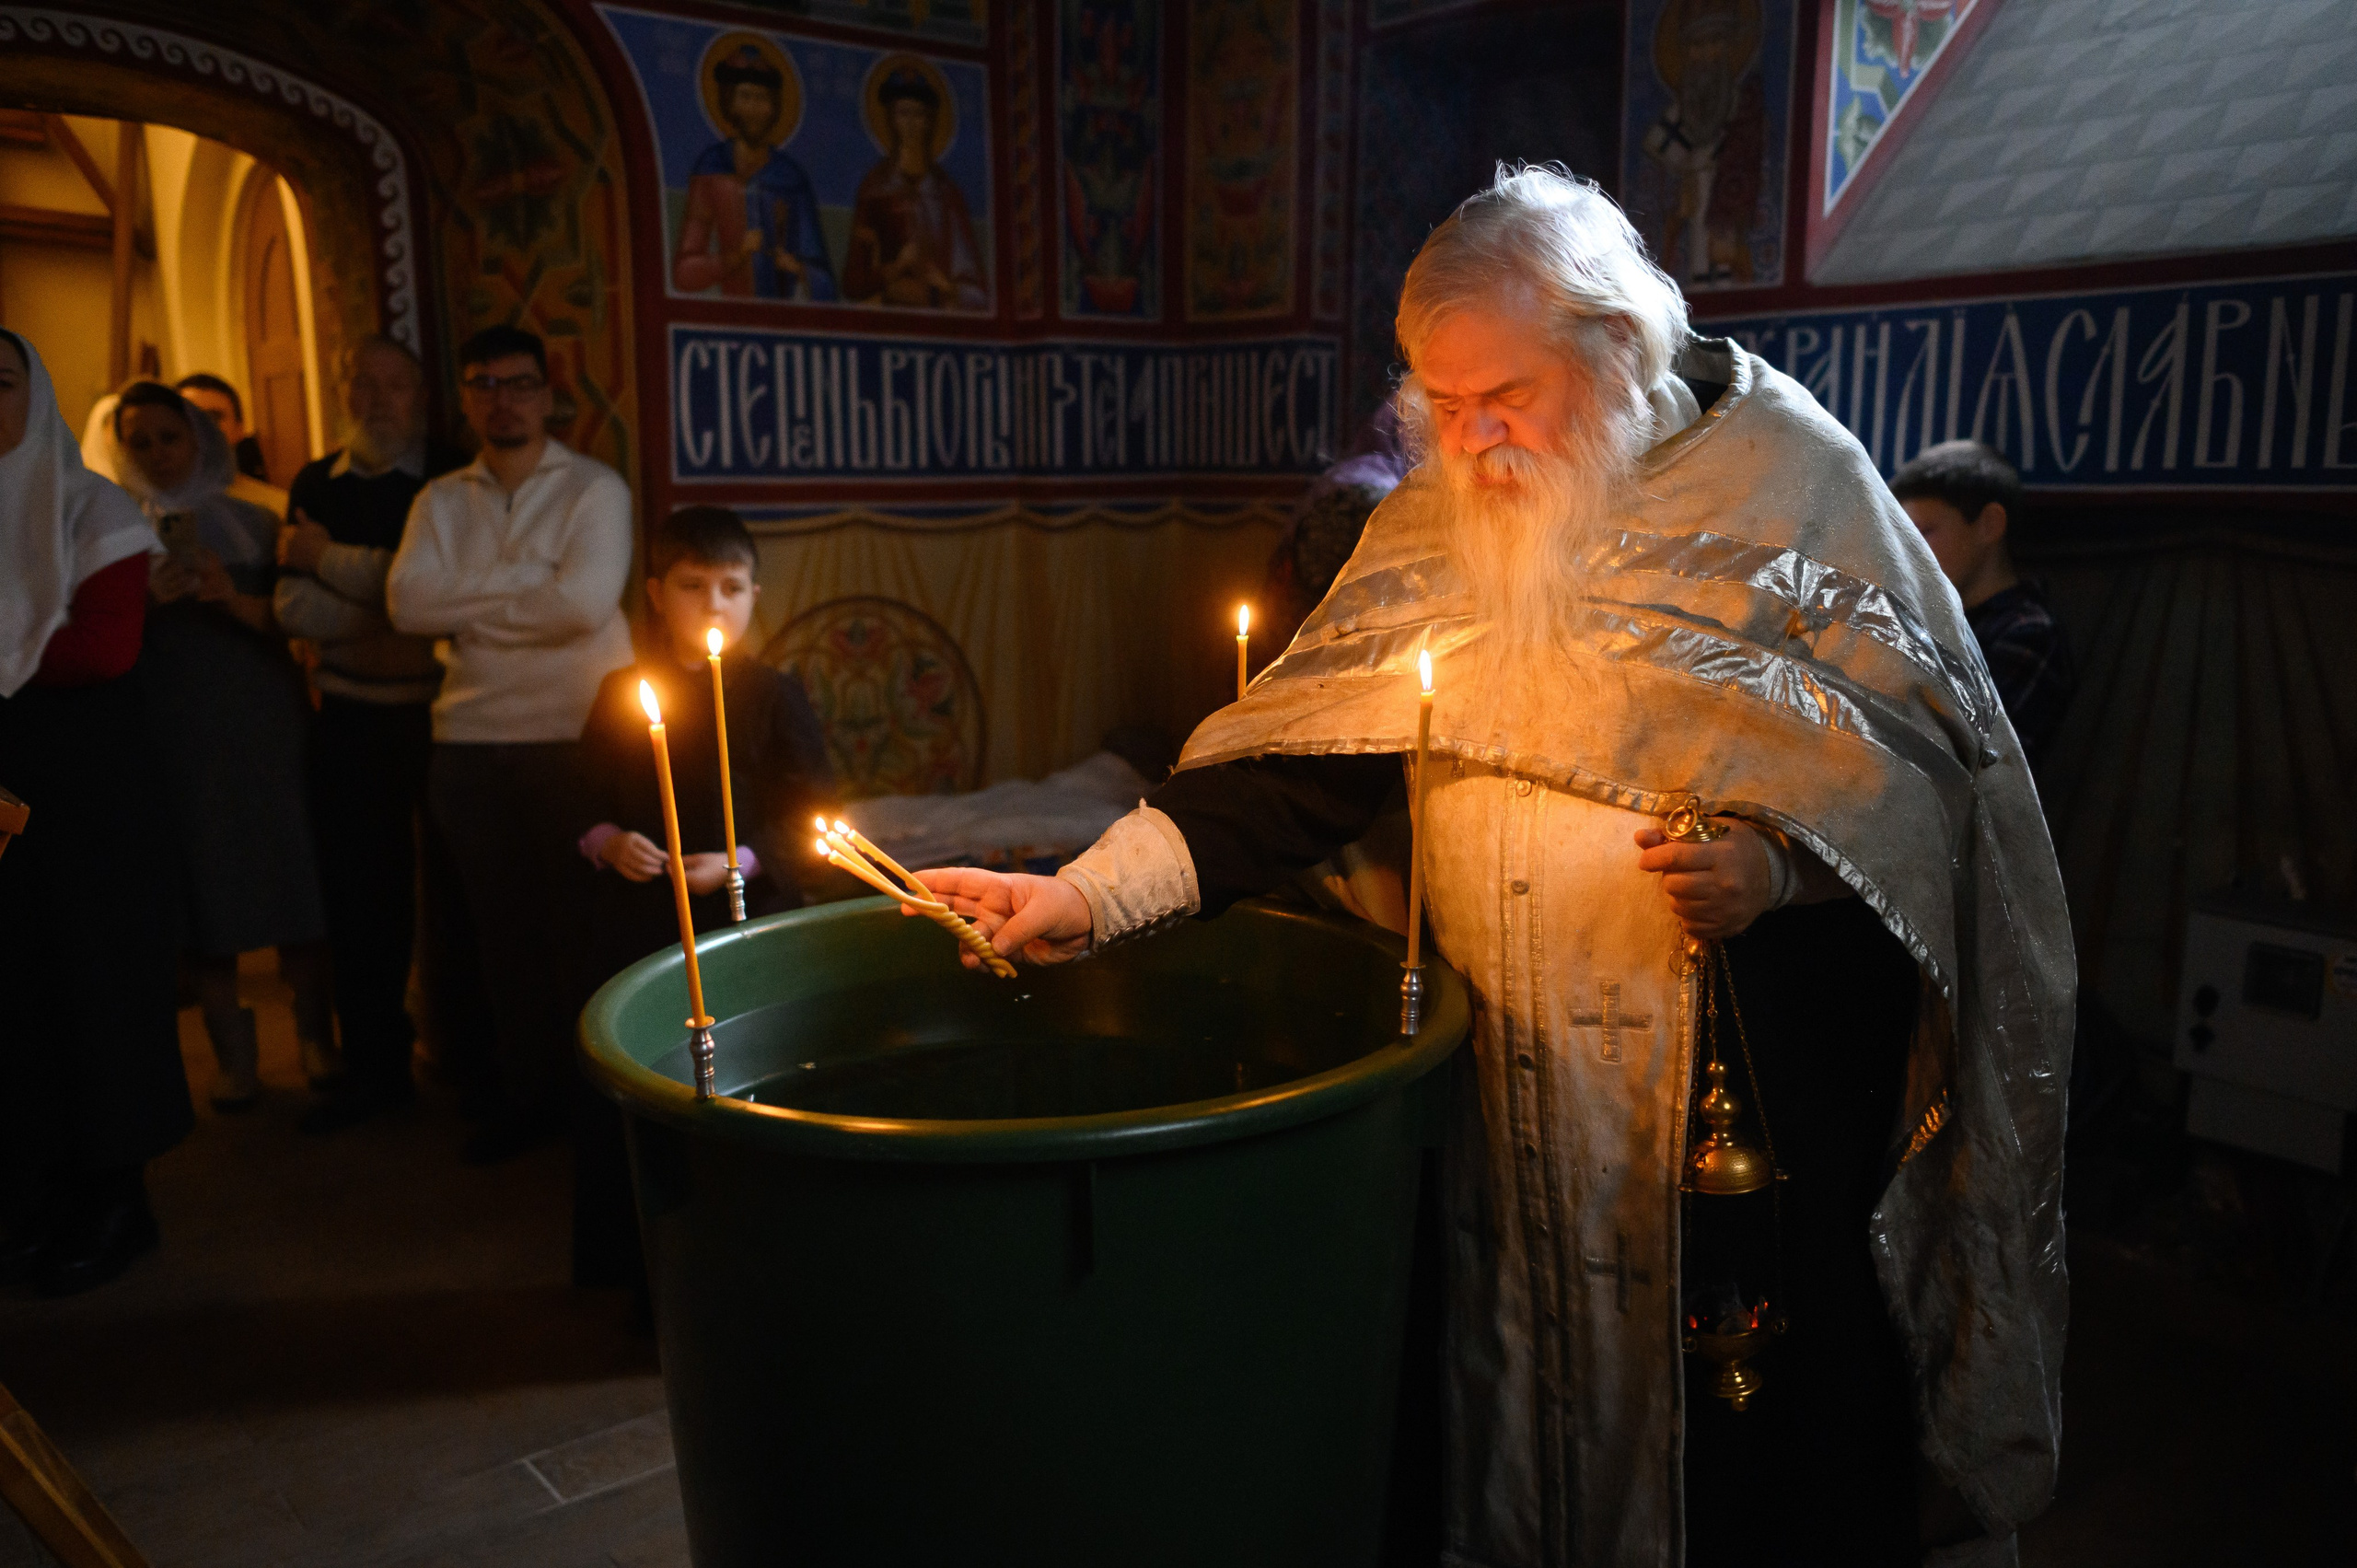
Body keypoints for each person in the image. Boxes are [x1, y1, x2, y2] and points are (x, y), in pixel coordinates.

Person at [909, 168, 2073, 1567]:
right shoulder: (1436, 519)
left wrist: (1779, 870)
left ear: (1616, 349)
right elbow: (1297, 762)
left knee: (1739, 1448)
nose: (1468, 442)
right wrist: (1089, 892)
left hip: (1713, 1091)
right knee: (1496, 1395)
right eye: (1439, 404)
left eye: (1501, 396)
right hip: (1500, 1081)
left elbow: (1934, 792)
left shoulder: (1800, 491)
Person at [387, 324, 633, 1165]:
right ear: (465, 397)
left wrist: (470, 607)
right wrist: (531, 583)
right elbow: (406, 605)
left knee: (581, 931)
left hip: (573, 736)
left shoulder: (595, 490)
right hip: (467, 741)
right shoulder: (439, 501)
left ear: (548, 393)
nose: (503, 398)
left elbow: (584, 605)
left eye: (520, 382)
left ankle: (599, 1109)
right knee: (499, 935)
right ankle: (528, 1099)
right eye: (485, 382)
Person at [570, 505, 831, 1290]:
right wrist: (609, 840)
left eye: (731, 586)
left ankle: (748, 1266)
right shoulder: (625, 692)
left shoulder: (775, 696)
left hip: (747, 924)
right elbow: (580, 800)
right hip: (641, 925)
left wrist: (744, 860)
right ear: (655, 592)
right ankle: (642, 1275)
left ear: (756, 592)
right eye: (692, 585)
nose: (714, 604)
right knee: (647, 1081)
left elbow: (813, 813)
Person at [0, 331, 194, 1296]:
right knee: (18, 993)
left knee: (94, 988)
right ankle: (32, 1196)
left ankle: (116, 1201)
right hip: (5, 787)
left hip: (86, 792)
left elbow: (105, 649)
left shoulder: (93, 507)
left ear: (32, 397)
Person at [106, 380, 335, 1109]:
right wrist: (142, 604)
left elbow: (297, 622)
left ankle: (315, 1041)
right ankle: (234, 1063)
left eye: (168, 437)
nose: (156, 454)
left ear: (199, 439)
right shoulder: (107, 531)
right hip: (170, 734)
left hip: (262, 722)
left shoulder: (255, 519)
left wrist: (227, 596)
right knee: (201, 890)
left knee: (292, 871)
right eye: (138, 441)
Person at [275, 336, 464, 1133]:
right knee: (361, 900)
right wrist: (389, 603)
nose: (379, 399)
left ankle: (468, 1062)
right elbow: (292, 608)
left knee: (455, 895)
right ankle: (376, 1069)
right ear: (346, 390)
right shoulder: (317, 482)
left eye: (396, 385)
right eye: (366, 383)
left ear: (420, 396)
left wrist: (332, 563)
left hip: (442, 717)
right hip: (350, 720)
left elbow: (434, 611)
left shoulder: (454, 481)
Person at [1891, 439, 2079, 777]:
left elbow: (1980, 762)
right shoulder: (1925, 619)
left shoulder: (2027, 633)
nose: (1911, 552)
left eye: (1925, 533)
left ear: (1990, 524)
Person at [672, 42, 837, 301]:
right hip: (731, 318)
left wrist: (797, 268)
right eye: (745, 97)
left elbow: (826, 282)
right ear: (730, 104)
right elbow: (683, 274)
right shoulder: (711, 169)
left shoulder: (790, 177)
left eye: (762, 99)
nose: (754, 109)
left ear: (774, 109)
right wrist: (736, 256)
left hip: (783, 321)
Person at [842, 63, 988, 311]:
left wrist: (949, 289)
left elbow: (976, 287)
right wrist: (896, 269)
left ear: (929, 122)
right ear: (891, 119)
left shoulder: (946, 193)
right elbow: (853, 283)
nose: (910, 123)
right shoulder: (875, 190)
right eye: (902, 113)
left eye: (918, 114)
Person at [175, 372, 276, 493]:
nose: (200, 427)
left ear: (239, 429)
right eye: (188, 417)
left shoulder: (275, 508)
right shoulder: (149, 507)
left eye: (213, 417)